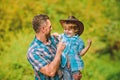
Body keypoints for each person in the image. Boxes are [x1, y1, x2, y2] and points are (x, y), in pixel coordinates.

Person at [27, 14, 65, 80]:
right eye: (50, 27)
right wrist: (59, 51)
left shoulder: (52, 39)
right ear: (43, 29)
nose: (52, 29)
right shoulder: (33, 52)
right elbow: (50, 72)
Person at [58, 16, 92, 80]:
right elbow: (57, 36)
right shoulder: (62, 37)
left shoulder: (79, 41)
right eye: (65, 29)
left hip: (75, 67)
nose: (67, 31)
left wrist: (88, 45)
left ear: (76, 30)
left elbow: (81, 53)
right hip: (64, 66)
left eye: (69, 29)